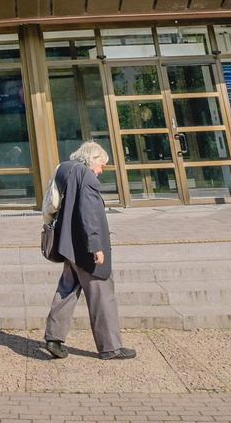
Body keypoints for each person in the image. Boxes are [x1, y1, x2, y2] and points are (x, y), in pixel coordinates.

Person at [42, 141, 134, 360]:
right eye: (101, 165)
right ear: (92, 159)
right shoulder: (87, 177)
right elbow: (89, 213)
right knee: (102, 294)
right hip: (86, 248)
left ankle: (54, 337)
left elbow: (53, 204)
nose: (101, 171)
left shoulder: (64, 169)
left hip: (68, 244)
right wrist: (96, 246)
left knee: (66, 290)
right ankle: (111, 347)